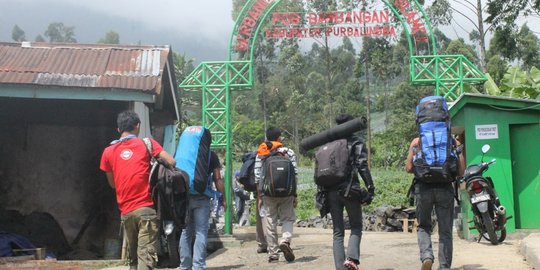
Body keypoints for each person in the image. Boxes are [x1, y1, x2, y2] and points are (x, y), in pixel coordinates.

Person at [100, 111, 176, 270]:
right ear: (138, 126)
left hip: (126, 212)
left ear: (118, 128)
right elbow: (171, 161)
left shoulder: (108, 152)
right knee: (145, 257)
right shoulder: (147, 144)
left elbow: (112, 184)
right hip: (146, 209)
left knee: (133, 258)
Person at [322, 114, 375, 270]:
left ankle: (340, 267)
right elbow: (362, 165)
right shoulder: (355, 142)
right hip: (349, 189)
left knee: (338, 232)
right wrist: (370, 188)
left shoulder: (329, 144)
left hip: (330, 191)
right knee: (356, 226)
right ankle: (351, 259)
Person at [406, 137, 465, 270]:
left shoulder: (417, 141)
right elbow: (461, 171)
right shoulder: (453, 142)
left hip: (423, 188)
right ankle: (444, 267)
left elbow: (409, 167)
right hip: (445, 188)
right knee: (445, 231)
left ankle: (427, 256)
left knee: (423, 227)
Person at [254, 127, 298, 263]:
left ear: (267, 138)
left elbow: (257, 176)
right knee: (288, 218)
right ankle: (285, 240)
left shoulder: (262, 153)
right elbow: (295, 174)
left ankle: (273, 253)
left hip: (268, 193)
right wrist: (295, 194)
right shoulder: (288, 152)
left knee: (270, 221)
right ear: (279, 138)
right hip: (287, 193)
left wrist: (260, 196)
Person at [179, 147, 225, 270]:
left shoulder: (184, 152)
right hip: (202, 197)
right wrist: (223, 198)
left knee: (185, 232)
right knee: (201, 232)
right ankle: (198, 266)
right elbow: (217, 178)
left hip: (185, 197)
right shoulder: (211, 155)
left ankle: (184, 266)